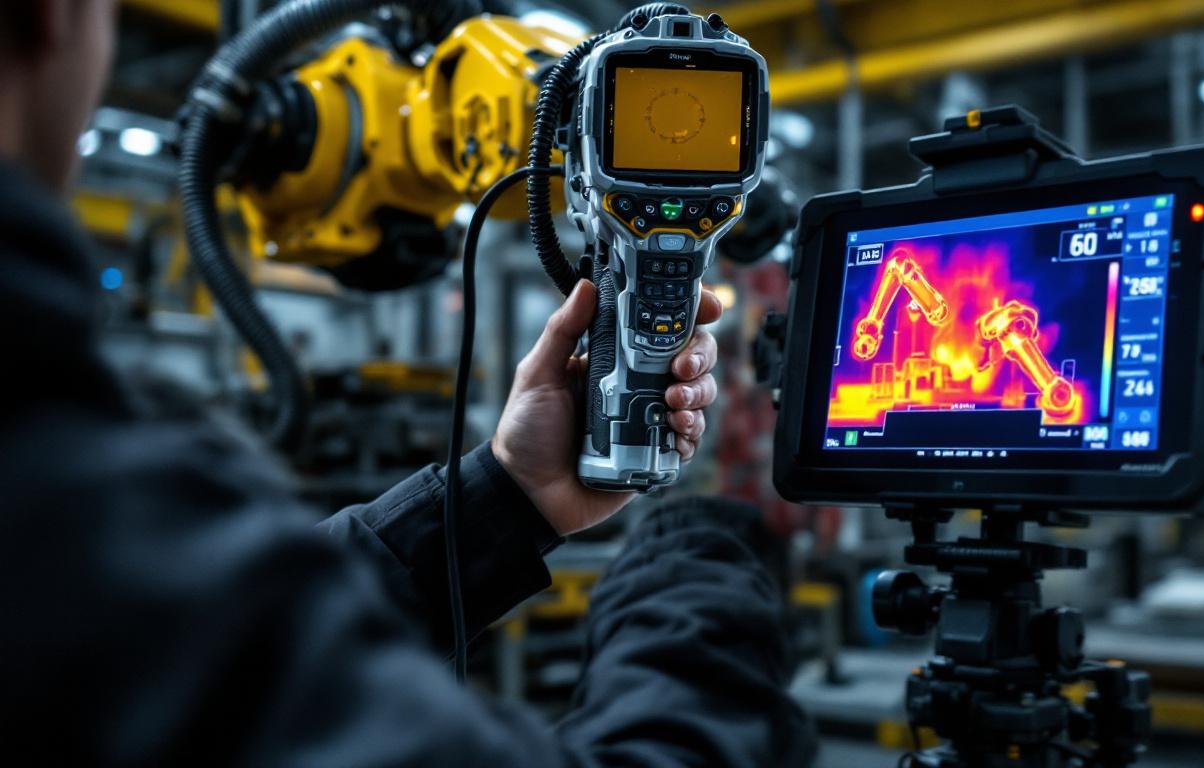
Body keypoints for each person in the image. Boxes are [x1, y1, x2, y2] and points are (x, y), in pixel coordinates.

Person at [0, 1, 816, 765]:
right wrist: (695, 578)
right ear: (54, 13)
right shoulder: (73, 493)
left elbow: (218, 638)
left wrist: (507, 494)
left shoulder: (65, 499)